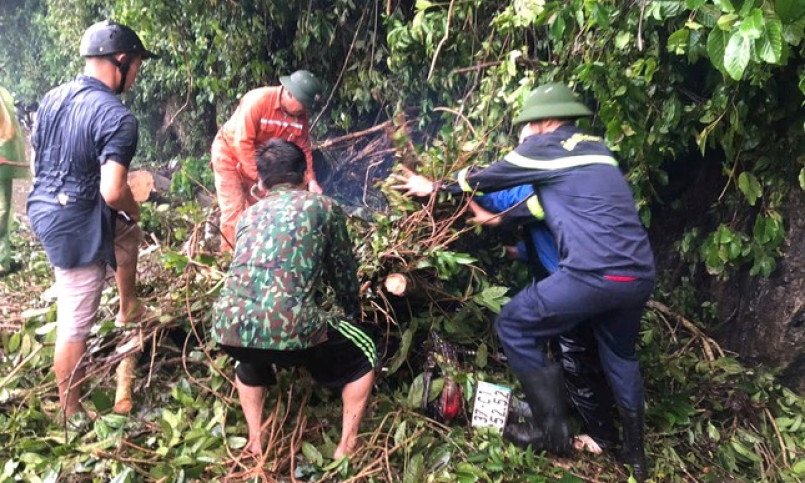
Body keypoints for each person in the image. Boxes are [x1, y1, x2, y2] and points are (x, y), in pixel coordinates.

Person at [392, 83, 655, 480]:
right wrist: (498, 224)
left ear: (544, 121)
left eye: (527, 126)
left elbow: (487, 177)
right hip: (637, 275)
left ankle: (552, 431)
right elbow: (536, 207)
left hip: (592, 274)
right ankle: (635, 459)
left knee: (514, 324)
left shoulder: (545, 146)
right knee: (620, 357)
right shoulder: (597, 151)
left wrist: (436, 187)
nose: (524, 134)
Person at [212, 139, 376, 460]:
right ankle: (347, 446)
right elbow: (343, 271)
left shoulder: (247, 217)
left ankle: (256, 441)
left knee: (248, 351)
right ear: (304, 176)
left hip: (228, 326)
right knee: (365, 353)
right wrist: (352, 312)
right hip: (290, 325)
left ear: (260, 182)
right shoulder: (324, 208)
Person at [26, 19, 156, 418]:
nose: (136, 74)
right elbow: (113, 191)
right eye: (136, 65)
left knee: (125, 234)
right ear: (121, 61)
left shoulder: (51, 99)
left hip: (44, 206)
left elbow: (37, 162)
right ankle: (72, 413)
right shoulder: (118, 117)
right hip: (73, 226)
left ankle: (128, 305)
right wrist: (136, 209)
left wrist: (124, 218)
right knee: (75, 323)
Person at [469, 187, 619, 454]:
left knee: (576, 356)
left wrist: (453, 184)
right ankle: (567, 408)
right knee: (573, 352)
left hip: (571, 285)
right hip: (586, 279)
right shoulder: (565, 177)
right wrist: (521, 251)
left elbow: (500, 198)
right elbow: (551, 230)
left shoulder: (532, 184)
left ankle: (599, 434)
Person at [210, 70, 325, 252]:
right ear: (289, 93)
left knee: (264, 208)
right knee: (234, 209)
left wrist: (311, 181)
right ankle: (229, 260)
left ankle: (258, 253)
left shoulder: (300, 118)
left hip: (261, 160)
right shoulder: (258, 101)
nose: (306, 111)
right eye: (303, 105)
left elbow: (303, 149)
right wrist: (260, 178)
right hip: (229, 154)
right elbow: (242, 142)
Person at [0, 85, 29, 275]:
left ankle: (2, 260)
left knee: (2, 210)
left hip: (3, 165)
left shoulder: (3, 95)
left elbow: (8, 131)